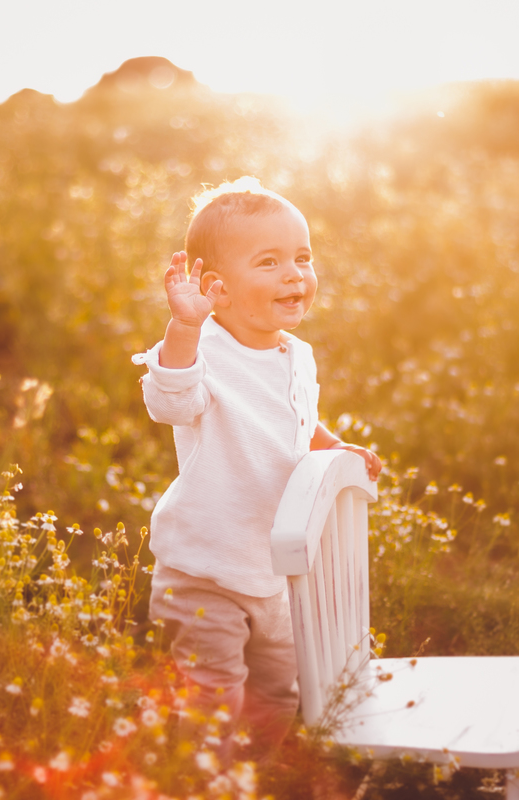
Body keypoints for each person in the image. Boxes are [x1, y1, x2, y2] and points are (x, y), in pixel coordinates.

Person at [133, 177, 382, 751]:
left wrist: (333, 444)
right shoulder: (201, 351)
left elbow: (296, 420)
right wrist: (184, 326)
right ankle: (205, 783)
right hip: (205, 573)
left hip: (274, 571)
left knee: (278, 695)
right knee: (212, 696)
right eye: (269, 262)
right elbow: (171, 401)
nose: (295, 274)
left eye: (302, 257)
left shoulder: (298, 354)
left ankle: (252, 775)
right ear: (215, 287)